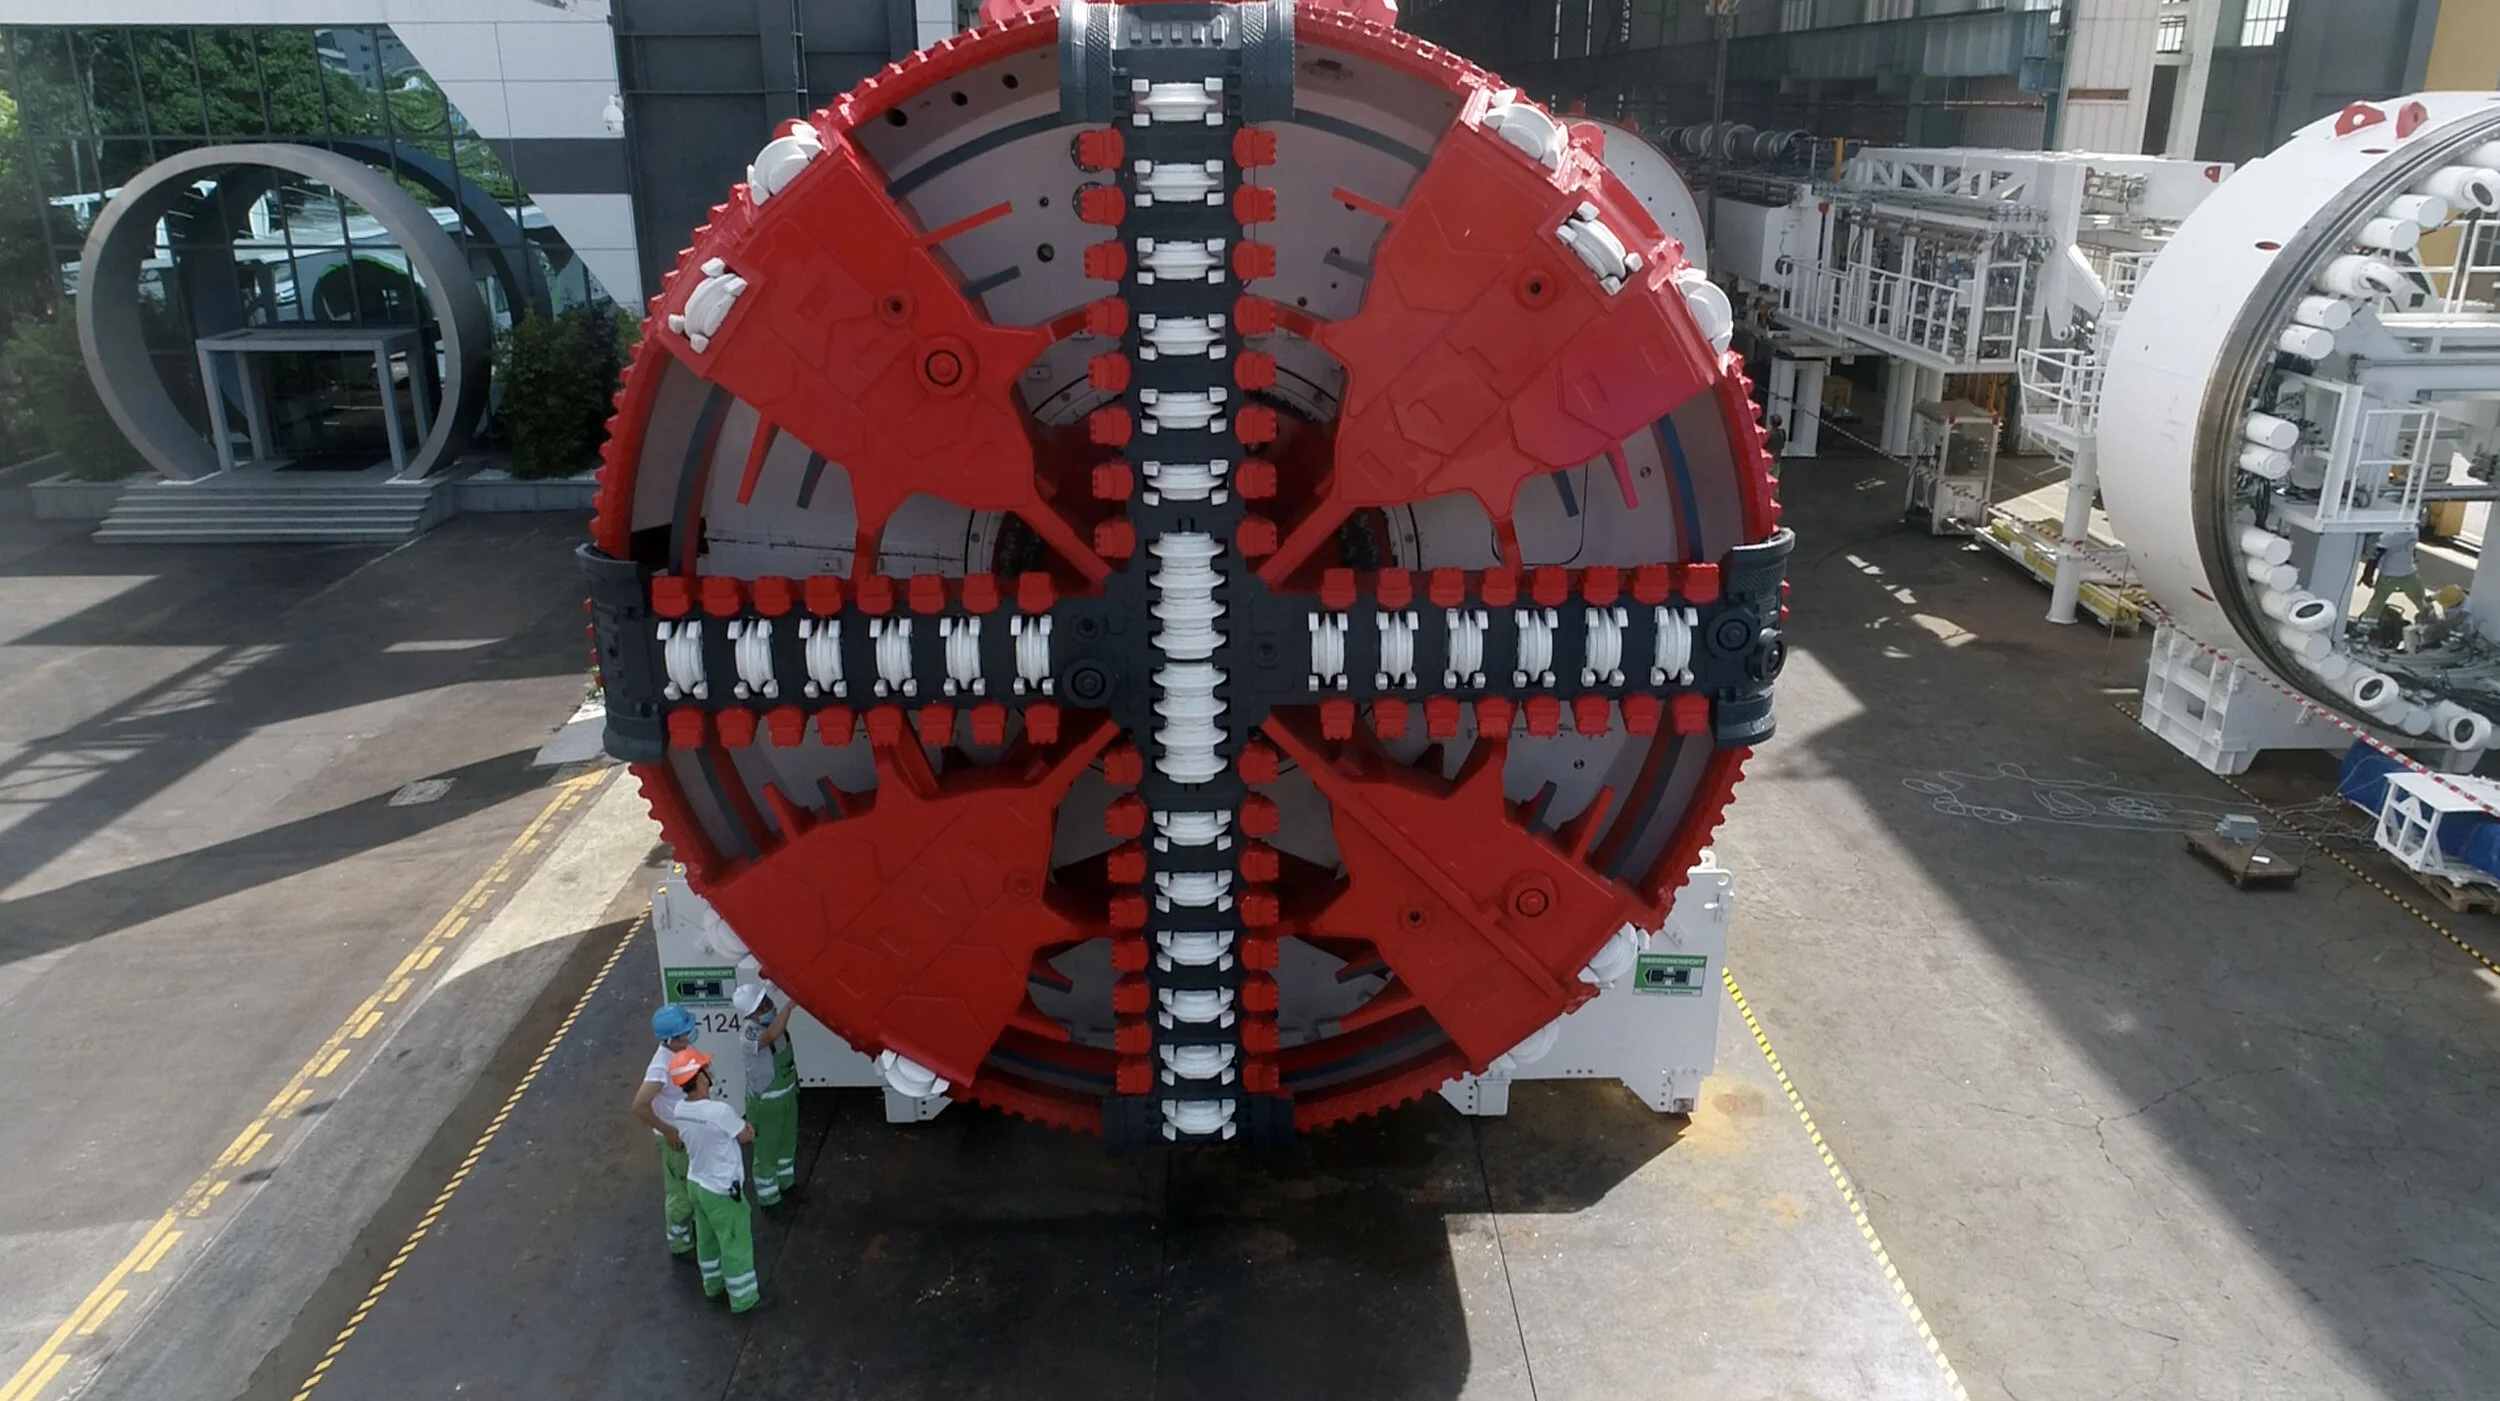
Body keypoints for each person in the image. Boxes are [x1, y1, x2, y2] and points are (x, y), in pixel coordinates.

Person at [668, 1048, 760, 1313]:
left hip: (697, 1183)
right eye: (705, 1070)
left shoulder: (680, 1109)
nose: (710, 1073)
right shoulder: (719, 1111)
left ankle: (713, 1285)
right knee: (735, 1242)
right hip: (721, 1190)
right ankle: (744, 1298)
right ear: (700, 1078)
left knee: (707, 1241)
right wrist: (749, 1129)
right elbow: (746, 1135)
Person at [632, 1005, 699, 1259]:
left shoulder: (681, 1052)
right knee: (680, 1192)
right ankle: (679, 1241)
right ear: (672, 1039)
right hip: (676, 1139)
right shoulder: (660, 1068)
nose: (691, 1034)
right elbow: (639, 1105)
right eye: (686, 1032)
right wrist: (668, 1131)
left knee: (690, 1184)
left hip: (689, 1132)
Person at [734, 981, 800, 1206]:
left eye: (767, 1001)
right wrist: (789, 1007)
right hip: (766, 1105)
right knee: (767, 1151)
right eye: (763, 1004)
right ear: (751, 1013)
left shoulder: (772, 1021)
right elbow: (770, 1037)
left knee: (786, 1144)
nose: (769, 1005)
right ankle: (769, 1199)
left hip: (786, 1096)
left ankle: (787, 1184)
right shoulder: (749, 1034)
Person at [2366, 525, 2432, 622]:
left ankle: (2365, 627)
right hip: (2409, 573)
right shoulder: (2414, 530)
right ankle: (2432, 621)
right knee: (2421, 600)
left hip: (2389, 575)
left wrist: (2367, 575)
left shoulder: (2390, 534)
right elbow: (2412, 548)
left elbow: (2375, 557)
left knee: (2377, 604)